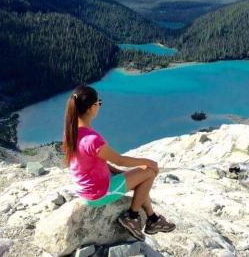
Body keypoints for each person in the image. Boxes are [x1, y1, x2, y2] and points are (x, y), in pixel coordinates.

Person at [62, 84, 176, 241]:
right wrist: (147, 162)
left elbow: (93, 162)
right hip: (99, 193)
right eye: (98, 103)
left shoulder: (72, 131)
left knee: (141, 177)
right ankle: (132, 216)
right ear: (91, 108)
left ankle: (152, 218)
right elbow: (120, 159)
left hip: (87, 189)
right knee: (149, 172)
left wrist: (116, 171)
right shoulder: (92, 139)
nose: (99, 106)